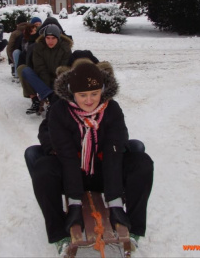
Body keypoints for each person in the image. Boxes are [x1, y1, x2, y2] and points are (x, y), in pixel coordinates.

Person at [25, 60, 154, 255]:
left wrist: (115, 203)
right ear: (72, 93)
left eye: (94, 94)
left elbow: (112, 154)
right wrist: (75, 203)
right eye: (82, 95)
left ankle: (134, 229)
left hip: (102, 170)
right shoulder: (60, 111)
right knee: (43, 168)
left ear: (102, 91)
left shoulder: (112, 109)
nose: (89, 100)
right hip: (72, 169)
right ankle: (60, 235)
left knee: (141, 162)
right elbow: (67, 157)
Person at [21, 23, 73, 114]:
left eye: (53, 38)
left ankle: (53, 100)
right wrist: (45, 90)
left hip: (58, 79)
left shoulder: (65, 48)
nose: (50, 41)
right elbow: (40, 68)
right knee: (24, 70)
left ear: (58, 38)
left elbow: (64, 69)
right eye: (48, 38)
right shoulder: (38, 47)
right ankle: (41, 99)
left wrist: (55, 87)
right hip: (42, 78)